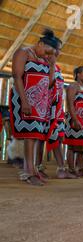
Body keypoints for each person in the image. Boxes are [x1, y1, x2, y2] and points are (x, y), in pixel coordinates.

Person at [9, 29, 58, 186]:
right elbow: (17, 77)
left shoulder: (43, 59)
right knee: (30, 135)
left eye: (51, 54)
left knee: (37, 135)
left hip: (40, 103)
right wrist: (24, 101)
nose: (47, 55)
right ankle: (28, 171)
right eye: (47, 51)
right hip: (25, 99)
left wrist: (52, 65)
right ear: (40, 43)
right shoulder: (23, 52)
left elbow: (49, 83)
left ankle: (34, 169)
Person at [36, 39, 77, 180]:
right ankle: (38, 167)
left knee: (58, 137)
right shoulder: (41, 63)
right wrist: (52, 65)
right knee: (40, 138)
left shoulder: (57, 67)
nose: (58, 52)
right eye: (56, 49)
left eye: (59, 49)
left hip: (57, 108)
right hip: (44, 107)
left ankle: (61, 168)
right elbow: (48, 83)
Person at [64, 66, 83, 177]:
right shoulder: (73, 86)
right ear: (78, 74)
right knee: (72, 145)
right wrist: (75, 119)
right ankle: (71, 168)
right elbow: (70, 104)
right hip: (75, 119)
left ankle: (81, 168)